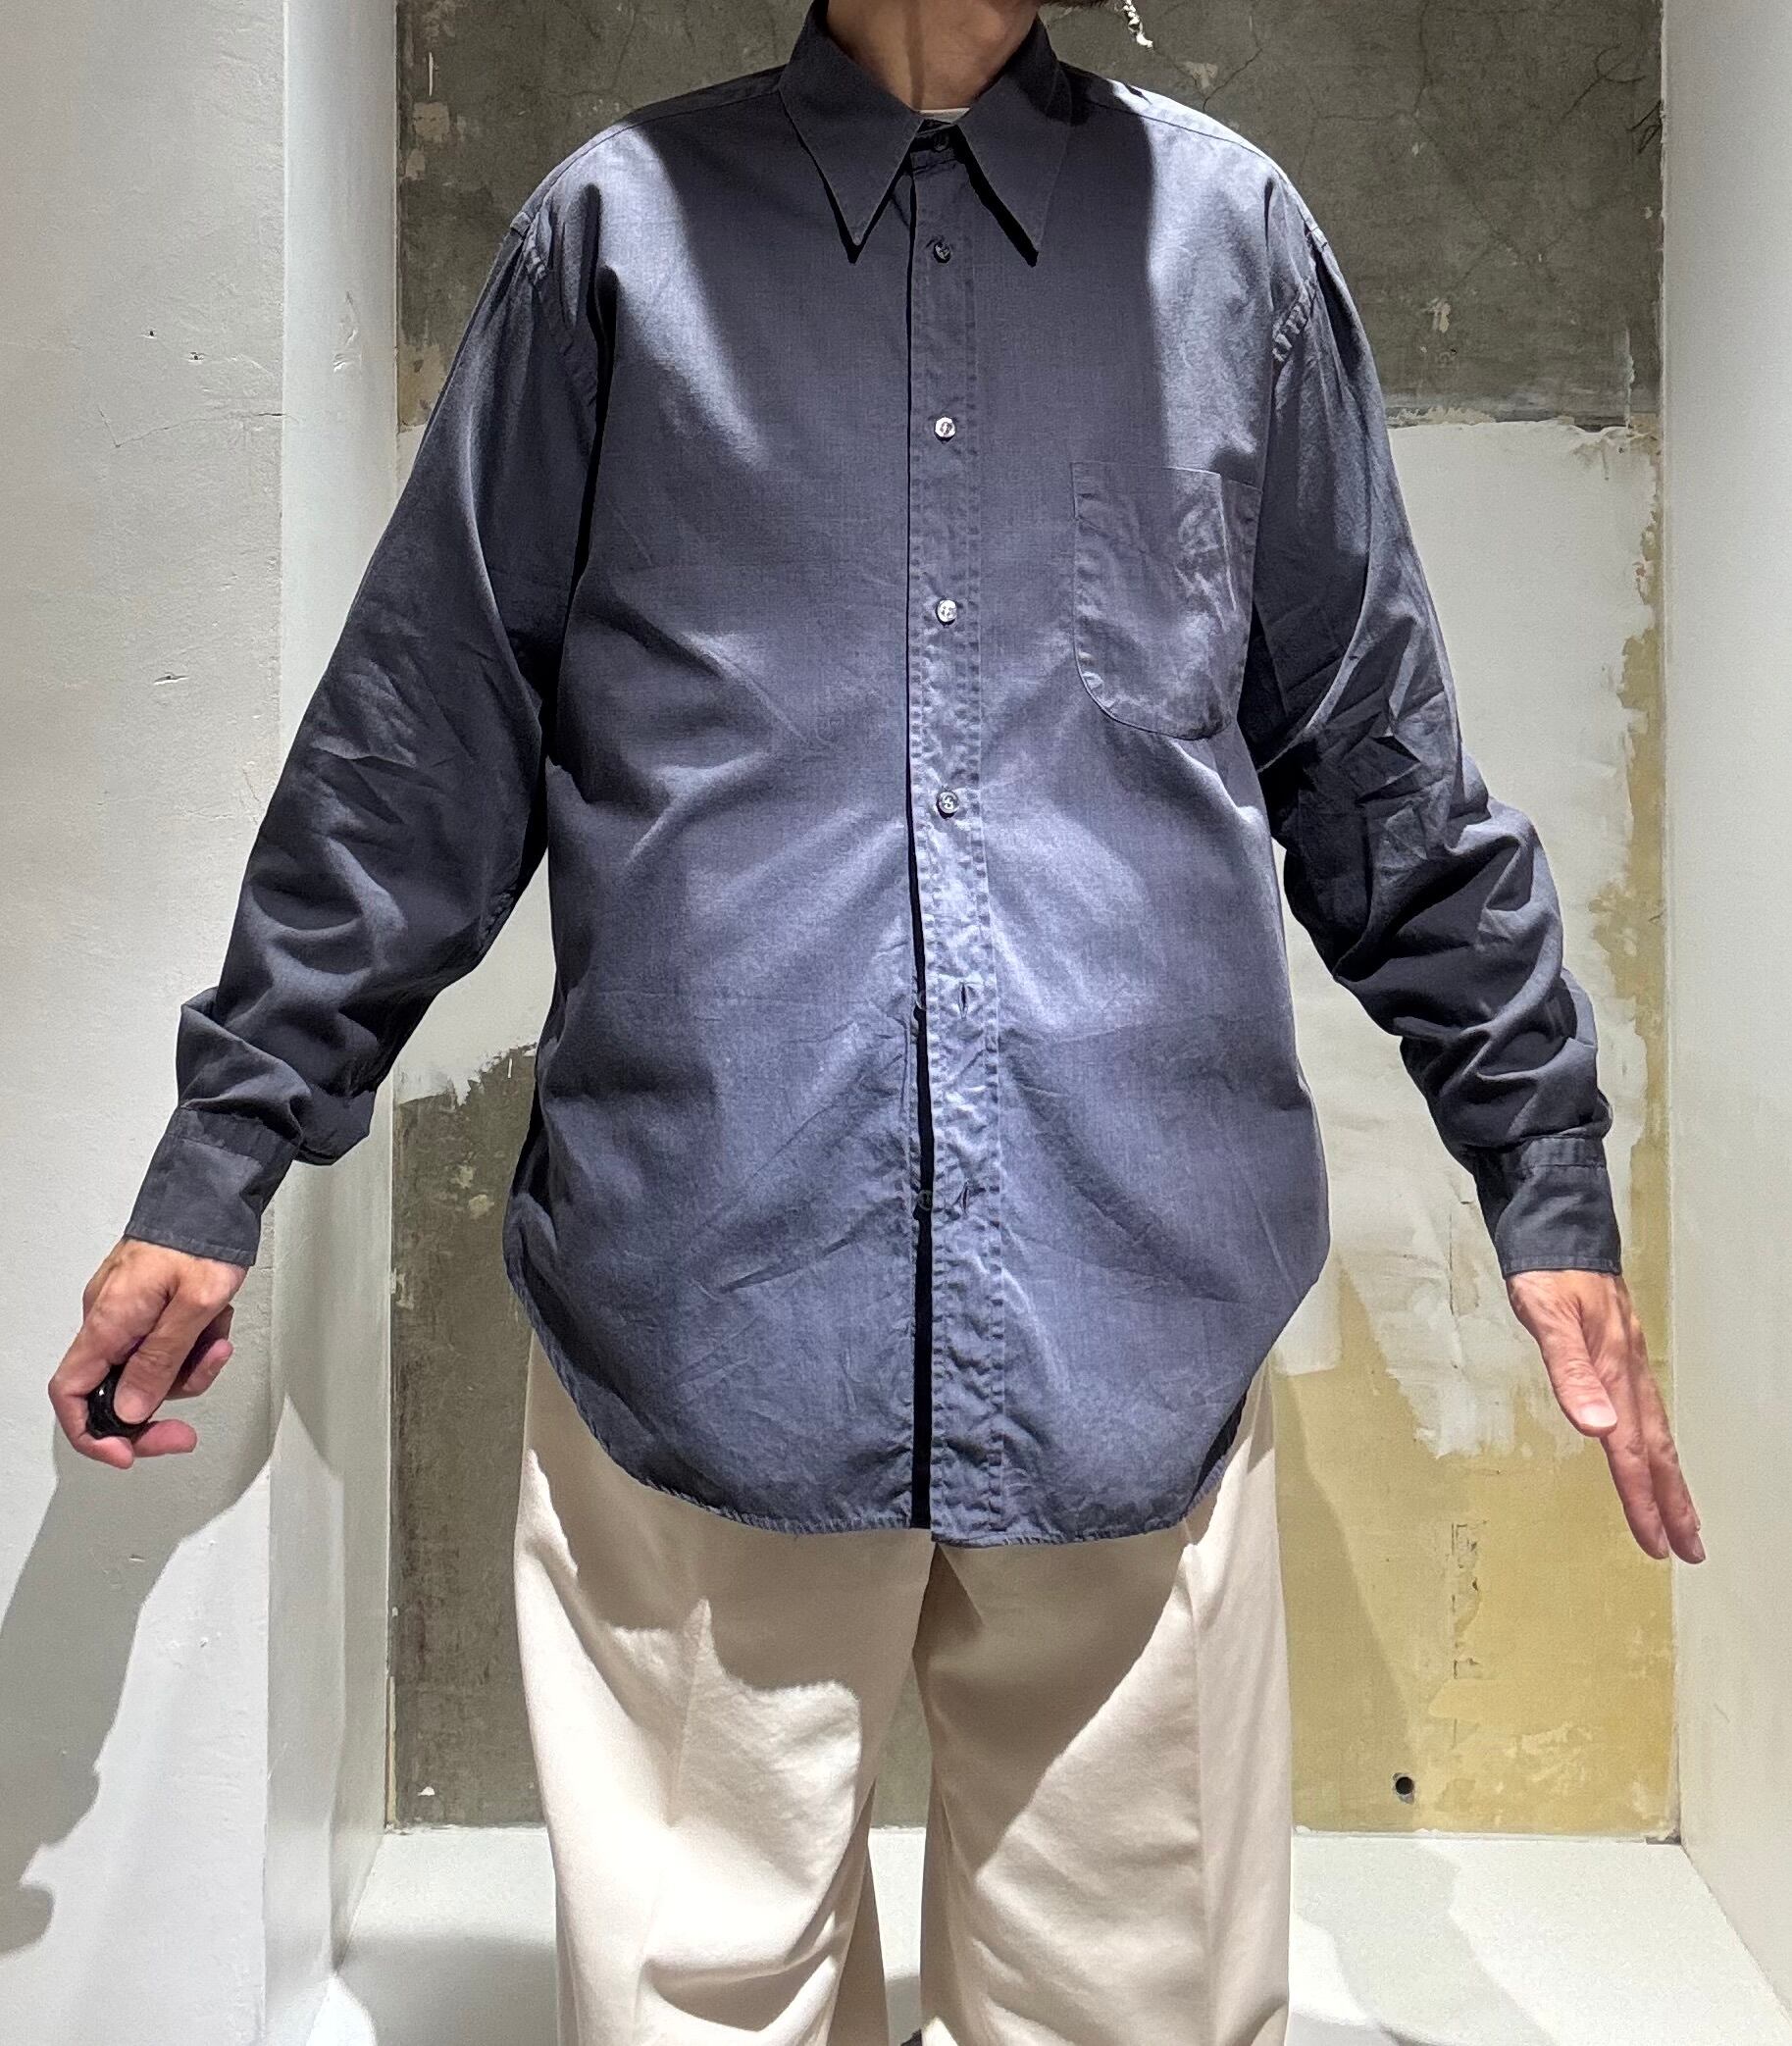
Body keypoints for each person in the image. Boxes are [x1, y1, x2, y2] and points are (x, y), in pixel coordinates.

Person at [52, 0, 1703, 2039]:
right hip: (701, 1306)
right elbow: (420, 749)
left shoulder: (1232, 246)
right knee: (694, 2003)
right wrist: (220, 1155)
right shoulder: (611, 242)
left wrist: (1538, 1164)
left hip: (1134, 1310)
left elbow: (1379, 770)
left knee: (1134, 2005)